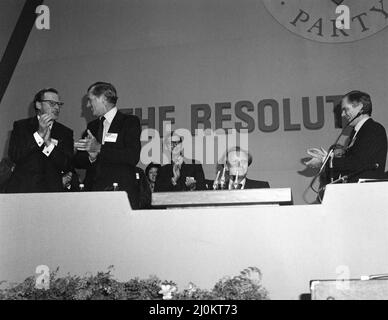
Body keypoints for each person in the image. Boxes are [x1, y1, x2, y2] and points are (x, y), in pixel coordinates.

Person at [73, 82, 141, 208]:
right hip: (93, 193)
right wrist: (91, 157)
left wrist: (99, 149)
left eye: (90, 100)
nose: (88, 105)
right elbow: (78, 161)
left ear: (103, 99)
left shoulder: (129, 122)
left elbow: (132, 156)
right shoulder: (92, 127)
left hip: (120, 193)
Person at [305, 90, 387, 183]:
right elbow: (353, 161)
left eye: (345, 109)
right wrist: (328, 157)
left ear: (360, 107)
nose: (342, 114)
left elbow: (357, 163)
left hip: (366, 192)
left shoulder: (373, 129)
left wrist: (324, 160)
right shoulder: (358, 132)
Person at [6, 88, 73, 193]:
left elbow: (67, 164)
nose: (57, 108)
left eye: (59, 104)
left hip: (51, 191)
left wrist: (49, 145)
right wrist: (39, 135)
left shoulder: (65, 132)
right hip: (23, 189)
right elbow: (15, 155)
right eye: (52, 103)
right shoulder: (21, 126)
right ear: (38, 105)